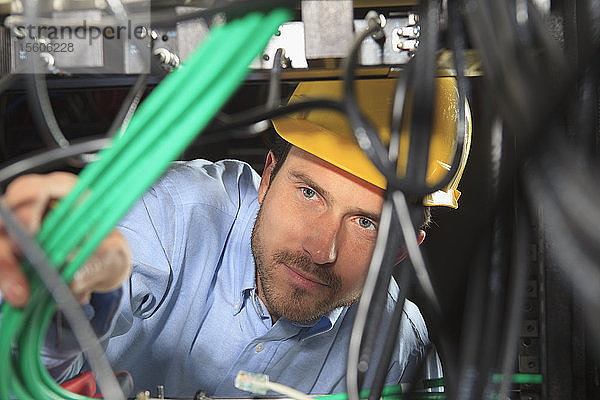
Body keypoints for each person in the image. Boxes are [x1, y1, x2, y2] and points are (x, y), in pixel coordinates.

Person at [0, 78, 471, 398]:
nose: (320, 251)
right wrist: (60, 299)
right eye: (310, 193)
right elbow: (23, 365)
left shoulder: (395, 348)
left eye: (366, 223)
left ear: (402, 250)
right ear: (267, 177)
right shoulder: (171, 215)